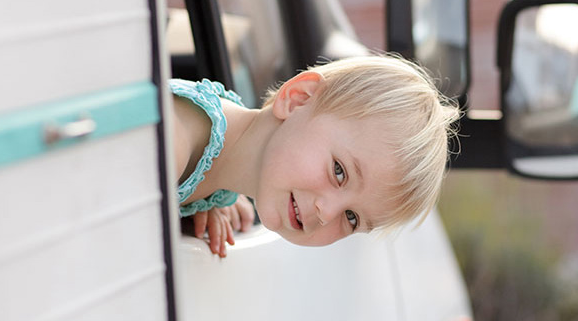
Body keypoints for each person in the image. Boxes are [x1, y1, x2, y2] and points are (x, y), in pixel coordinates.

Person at [170, 55, 460, 257]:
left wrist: (210, 198)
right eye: (339, 172)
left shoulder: (219, 165)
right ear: (298, 99)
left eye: (352, 218)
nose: (327, 213)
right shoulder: (173, 140)